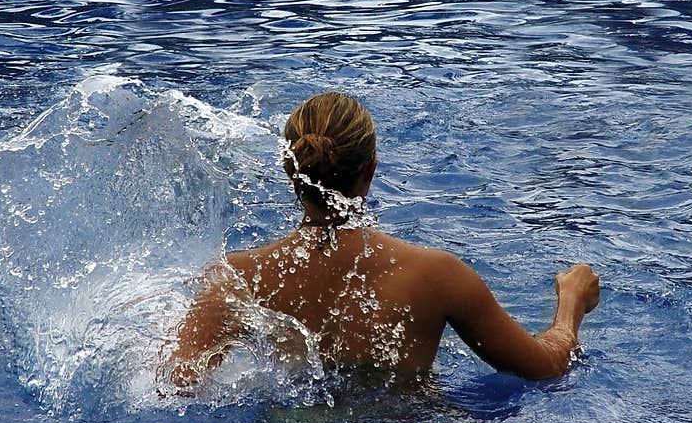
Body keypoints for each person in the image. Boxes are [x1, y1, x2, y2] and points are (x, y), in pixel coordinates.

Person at [169, 92, 599, 389]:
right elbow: (545, 369)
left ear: (289, 171)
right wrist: (571, 303)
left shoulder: (239, 278)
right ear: (370, 171)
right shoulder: (437, 275)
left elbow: (176, 386)